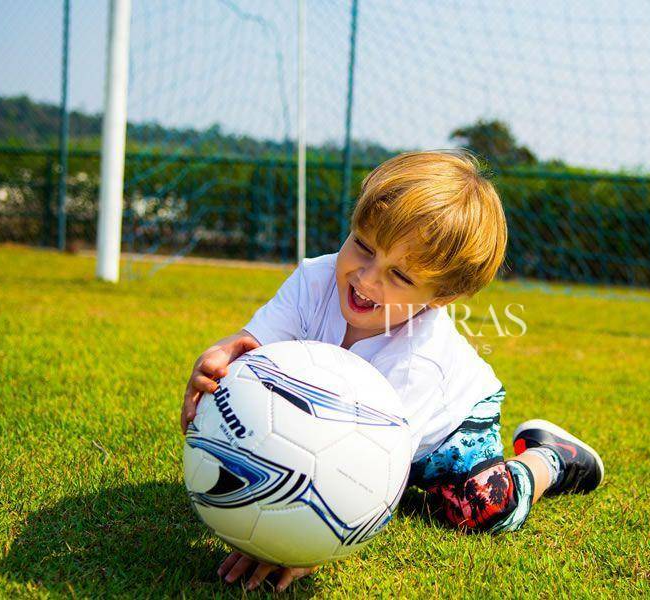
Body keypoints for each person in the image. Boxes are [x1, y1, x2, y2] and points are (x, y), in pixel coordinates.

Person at [180, 150, 604, 593]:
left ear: (441, 295)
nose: (366, 278)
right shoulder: (314, 280)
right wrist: (221, 361)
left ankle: (549, 457)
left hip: (446, 428)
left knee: (476, 509)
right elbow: (253, 352)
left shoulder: (420, 361)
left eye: (399, 275)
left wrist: (306, 544)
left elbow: (371, 470)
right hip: (354, 423)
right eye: (363, 246)